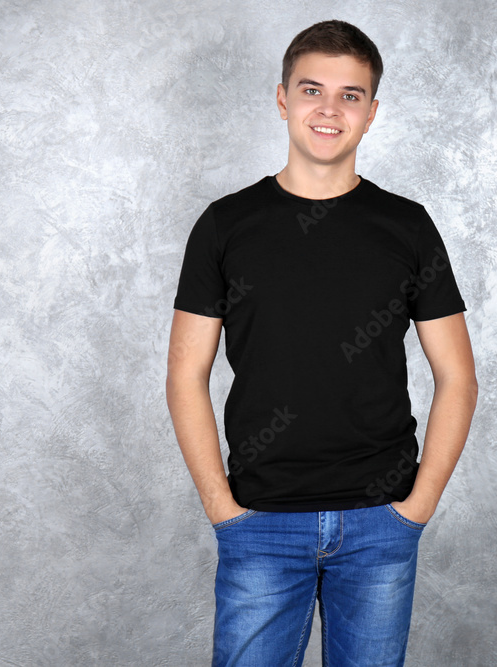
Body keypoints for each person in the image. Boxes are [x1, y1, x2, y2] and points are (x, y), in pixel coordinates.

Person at [166, 19, 478, 667]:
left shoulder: (407, 227)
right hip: (259, 519)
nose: (329, 109)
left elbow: (458, 378)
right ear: (282, 99)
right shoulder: (226, 226)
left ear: (371, 113)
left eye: (350, 95)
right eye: (312, 90)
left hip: (379, 525)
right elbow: (185, 375)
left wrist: (414, 510)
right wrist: (222, 508)